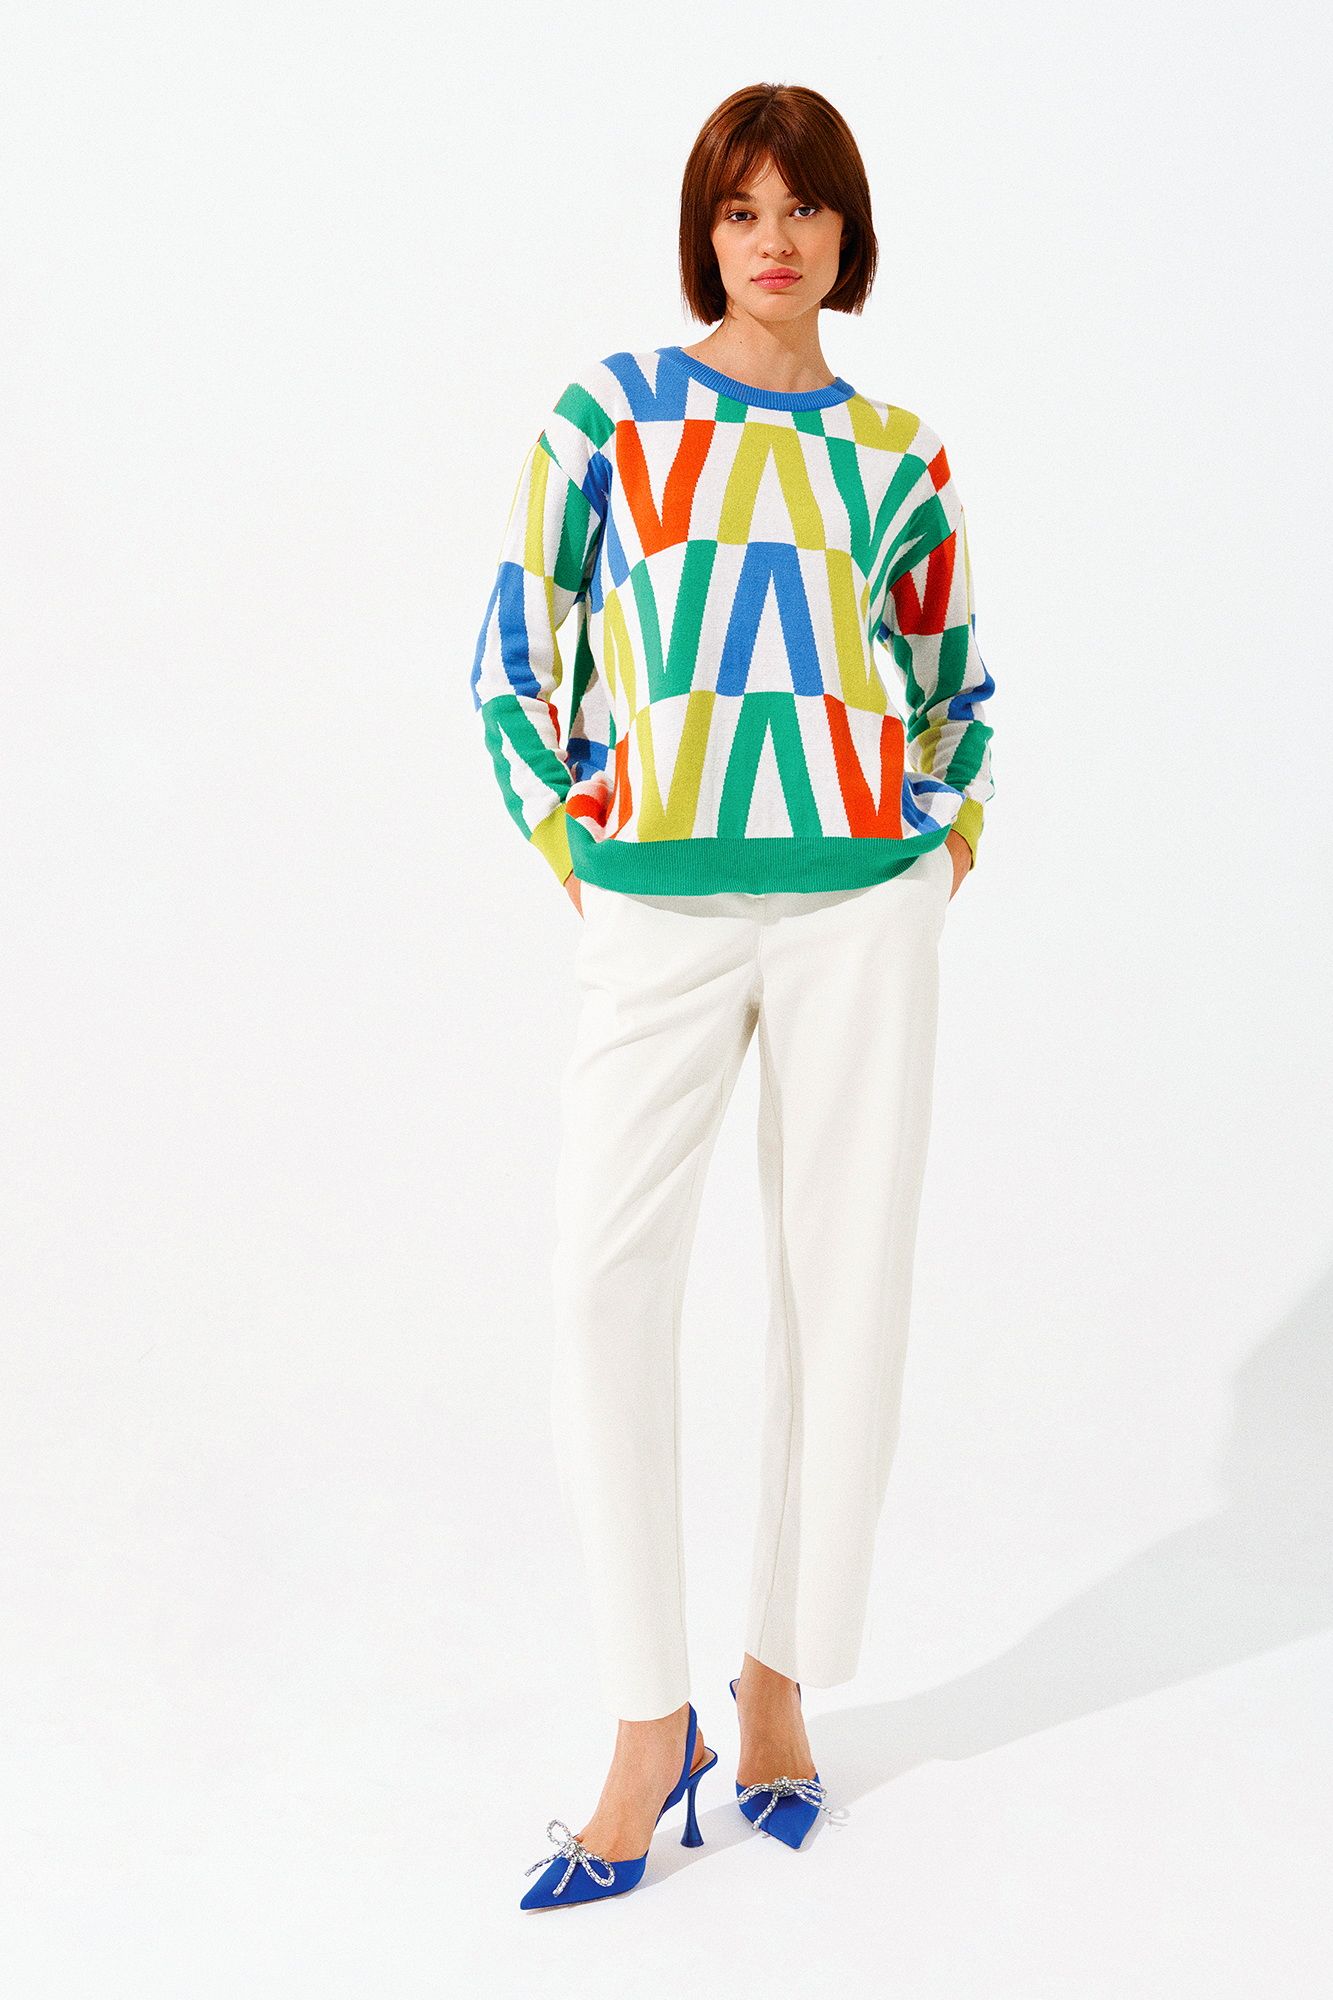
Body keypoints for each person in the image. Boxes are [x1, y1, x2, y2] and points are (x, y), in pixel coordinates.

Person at [470, 82, 996, 1910]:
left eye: (804, 210)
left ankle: (775, 1686)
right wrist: (572, 829)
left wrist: (939, 838)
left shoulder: (900, 454)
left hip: (859, 904)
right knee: (600, 1284)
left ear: (849, 236)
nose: (772, 242)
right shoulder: (608, 418)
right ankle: (649, 1725)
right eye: (739, 211)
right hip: (658, 903)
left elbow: (952, 678)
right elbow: (514, 648)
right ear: (705, 234)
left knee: (839, 1293)